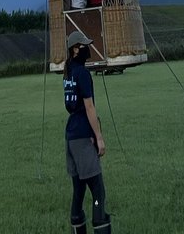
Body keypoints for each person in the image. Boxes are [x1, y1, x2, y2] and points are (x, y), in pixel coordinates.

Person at [63, 30, 110, 234]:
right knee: (98, 190)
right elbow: (89, 107)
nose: (87, 49)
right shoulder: (82, 73)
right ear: (75, 49)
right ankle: (101, 225)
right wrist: (99, 137)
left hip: (71, 137)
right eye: (84, 46)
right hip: (83, 137)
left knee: (79, 190)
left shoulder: (69, 73)